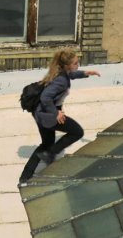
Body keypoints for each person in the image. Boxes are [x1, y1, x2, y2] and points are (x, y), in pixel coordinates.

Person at [19, 49, 100, 185]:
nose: (78, 65)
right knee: (77, 132)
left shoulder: (60, 72)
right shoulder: (61, 80)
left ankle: (25, 176)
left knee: (46, 144)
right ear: (67, 65)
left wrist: (86, 73)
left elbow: (71, 75)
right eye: (75, 63)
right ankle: (50, 153)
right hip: (48, 115)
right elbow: (45, 97)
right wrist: (56, 113)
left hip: (40, 113)